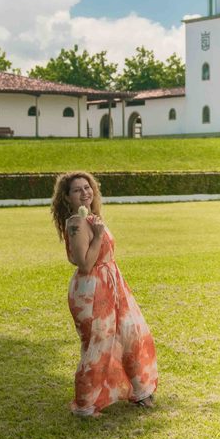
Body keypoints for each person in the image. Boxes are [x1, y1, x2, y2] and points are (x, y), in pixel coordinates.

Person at [51, 171, 158, 417]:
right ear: (67, 198)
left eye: (87, 187)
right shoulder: (76, 224)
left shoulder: (91, 217)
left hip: (112, 286)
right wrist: (98, 235)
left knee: (132, 333)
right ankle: (85, 405)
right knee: (97, 346)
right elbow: (86, 264)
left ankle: (140, 390)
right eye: (77, 190)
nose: (85, 193)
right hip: (92, 292)